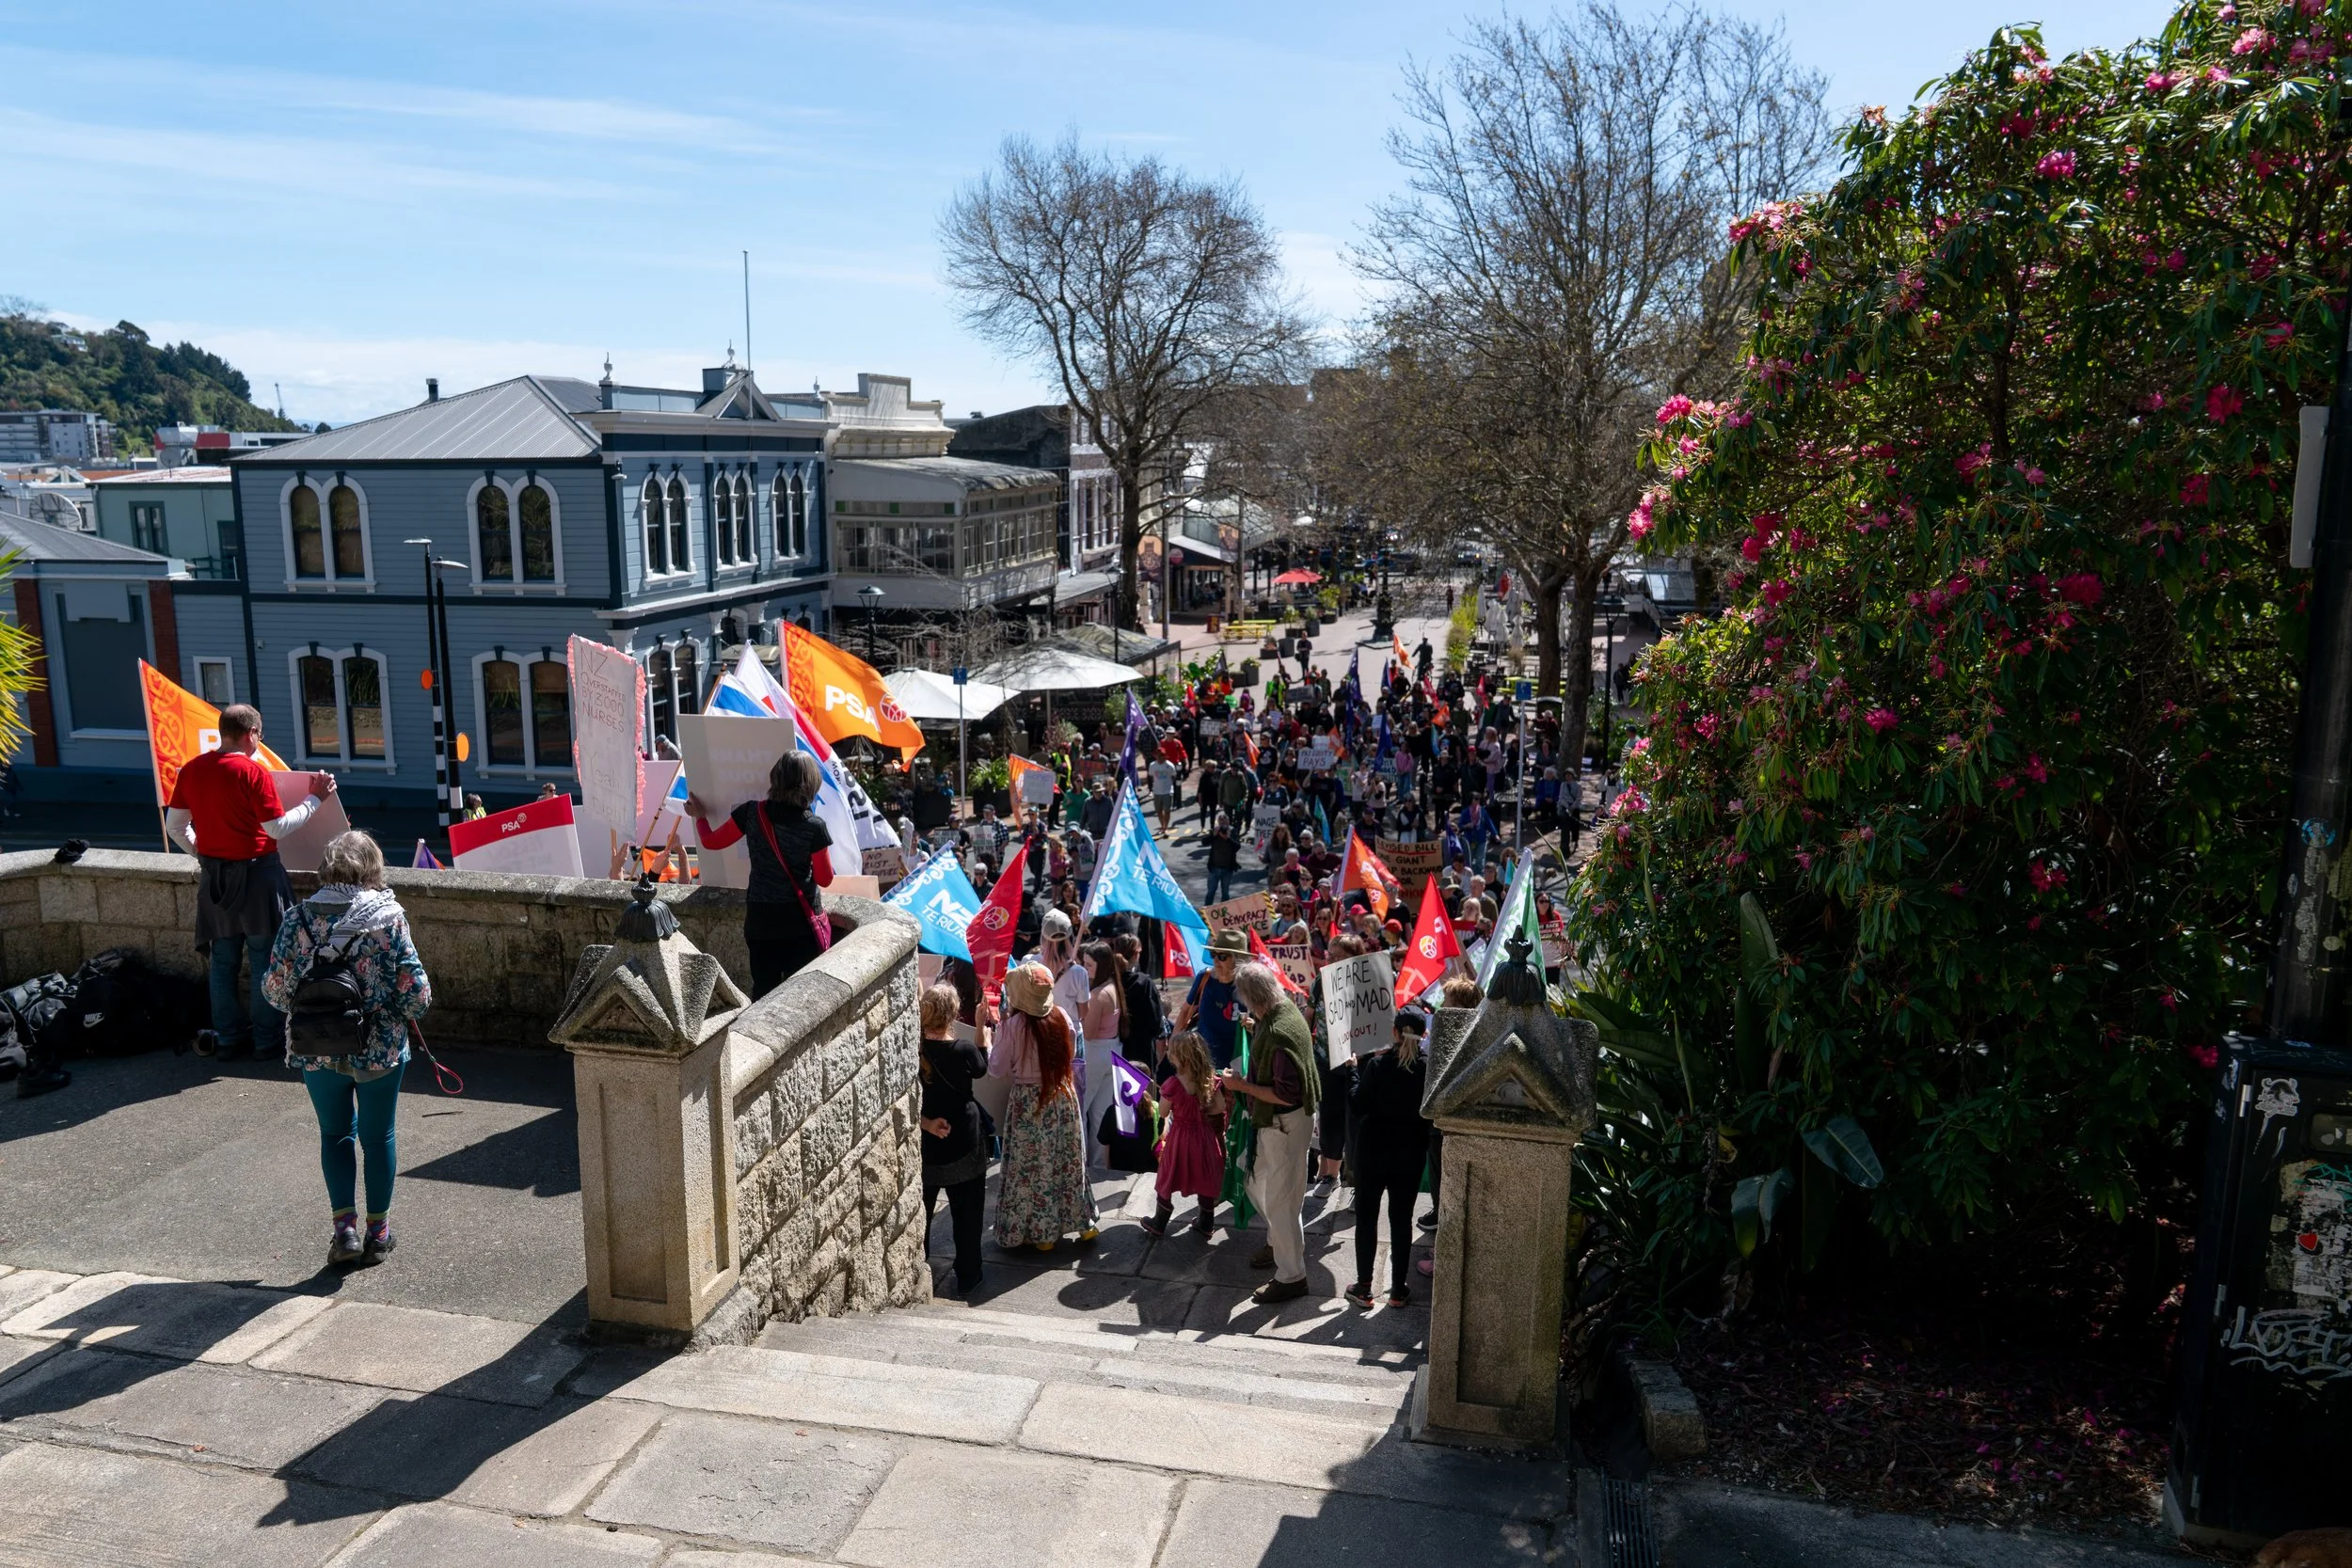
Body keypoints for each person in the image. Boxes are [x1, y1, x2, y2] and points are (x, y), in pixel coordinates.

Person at [261, 831, 432, 1267]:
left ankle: (345, 1233)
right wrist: (386, 1011)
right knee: (379, 1138)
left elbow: (275, 991)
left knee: (334, 1135)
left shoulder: (298, 919)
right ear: (372, 869)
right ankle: (379, 1233)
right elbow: (418, 994)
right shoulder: (388, 918)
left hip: (316, 1048)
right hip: (378, 1049)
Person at [166, 703, 335, 1063]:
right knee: (263, 960)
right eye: (259, 735)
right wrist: (314, 799)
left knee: (222, 963)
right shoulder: (254, 772)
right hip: (259, 878)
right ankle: (265, 1041)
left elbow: (174, 827)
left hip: (216, 881)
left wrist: (204, 854)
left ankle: (227, 1040)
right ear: (251, 734)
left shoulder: (191, 770)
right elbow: (276, 828)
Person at [686, 752, 834, 998]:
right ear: (810, 784)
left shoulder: (752, 814)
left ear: (775, 778)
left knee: (764, 992)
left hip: (760, 922)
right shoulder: (814, 826)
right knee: (800, 997)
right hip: (800, 926)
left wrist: (700, 817)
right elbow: (825, 879)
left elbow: (712, 842)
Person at [1219, 961, 1319, 1305]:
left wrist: (1240, 1085)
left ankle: (1292, 1276)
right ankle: (1279, 1241)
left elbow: (1284, 1094)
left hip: (1285, 1124)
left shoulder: (1279, 1032)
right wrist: (1253, 1028)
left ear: (1253, 998)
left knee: (1282, 1201)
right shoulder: (1283, 1008)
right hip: (1282, 1124)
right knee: (1255, 1180)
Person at [988, 961, 1099, 1250]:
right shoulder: (1062, 1016)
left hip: (1029, 1102)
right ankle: (1082, 1222)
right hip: (1062, 1095)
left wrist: (988, 1038)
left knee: (1032, 1166)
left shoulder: (1012, 1027)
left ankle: (1042, 1234)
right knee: (1067, 1159)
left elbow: (996, 1069)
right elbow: (1071, 1052)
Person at [1345, 1010, 1434, 1308]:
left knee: (1367, 1218)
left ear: (1395, 1033)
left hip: (1372, 1152)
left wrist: (1354, 1073)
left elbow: (1358, 1105)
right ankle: (1397, 1290)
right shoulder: (1428, 1070)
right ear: (1423, 1036)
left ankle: (1363, 1287)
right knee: (1401, 1220)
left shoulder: (1378, 1065)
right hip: (1409, 1155)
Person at [918, 982, 990, 1297]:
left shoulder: (915, 1048)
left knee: (921, 1212)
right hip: (964, 1140)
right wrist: (981, 1037)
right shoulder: (963, 1050)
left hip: (927, 1141)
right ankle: (969, 1275)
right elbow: (980, 1070)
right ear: (953, 1014)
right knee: (967, 1213)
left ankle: (916, 1268)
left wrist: (926, 1124)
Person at [1138, 1029, 1225, 1238]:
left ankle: (1159, 1222)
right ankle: (1206, 1222)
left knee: (1169, 1175)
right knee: (1205, 1176)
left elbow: (1165, 1111)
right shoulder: (1210, 1081)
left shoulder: (1173, 1085)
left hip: (1180, 1138)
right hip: (1204, 1137)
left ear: (1179, 1057)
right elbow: (1219, 1108)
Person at [1077, 942, 1127, 1168]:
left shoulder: (1098, 994)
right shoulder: (1113, 986)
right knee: (1099, 1113)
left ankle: (1082, 1161)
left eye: (1089, 965)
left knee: (1081, 1109)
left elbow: (1087, 1032)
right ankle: (1098, 1164)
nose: (1084, 968)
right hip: (1112, 1050)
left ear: (1102, 965)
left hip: (1096, 1052)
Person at [1174, 927, 1246, 1069]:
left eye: (1223, 957)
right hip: (1202, 1062)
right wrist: (1173, 1044)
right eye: (1214, 954)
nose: (1216, 961)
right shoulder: (1205, 978)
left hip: (1237, 1064)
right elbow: (1185, 1011)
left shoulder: (1249, 985)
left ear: (1238, 960)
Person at [1203, 813, 1240, 905]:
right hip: (1214, 868)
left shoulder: (1232, 831)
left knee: (1225, 893)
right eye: (1221, 822)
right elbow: (1204, 842)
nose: (1223, 824)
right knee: (1210, 893)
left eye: (1224, 821)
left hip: (1227, 869)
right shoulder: (1215, 831)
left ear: (1228, 821)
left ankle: (1223, 915)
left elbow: (1237, 847)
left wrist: (1228, 838)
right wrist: (1213, 835)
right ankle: (1206, 914)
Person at [1149, 753, 1179, 832]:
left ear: (1164, 756)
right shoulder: (1152, 765)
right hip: (1157, 791)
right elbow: (1151, 777)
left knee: (1167, 811)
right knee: (1158, 810)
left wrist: (1169, 785)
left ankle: (1165, 827)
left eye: (1161, 755)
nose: (1159, 757)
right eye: (1158, 756)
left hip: (1167, 791)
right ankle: (1162, 825)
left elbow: (1173, 776)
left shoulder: (1170, 765)